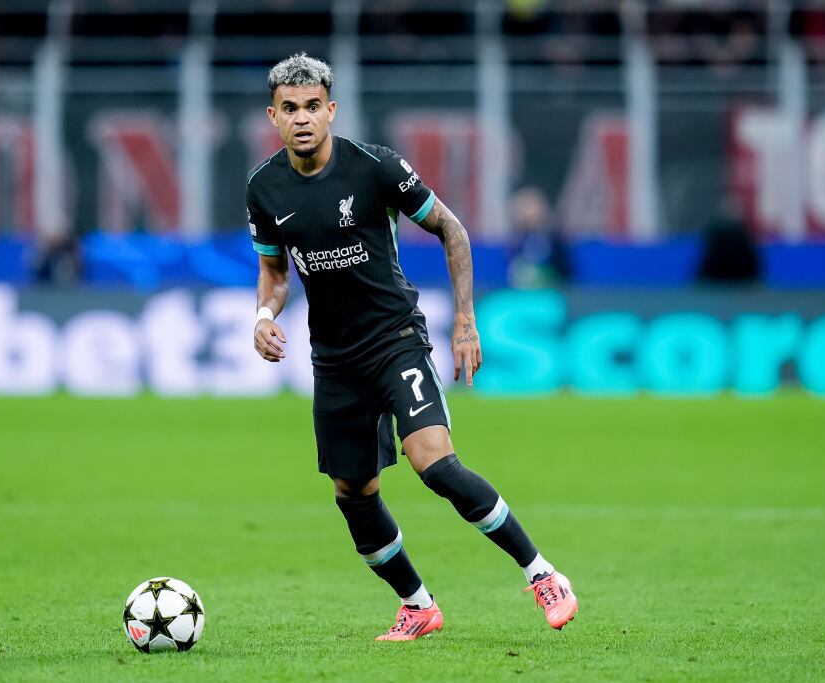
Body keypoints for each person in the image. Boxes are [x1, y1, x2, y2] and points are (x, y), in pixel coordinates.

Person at [247, 53, 578, 642]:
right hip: (335, 359)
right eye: (290, 109)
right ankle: (417, 604)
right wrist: (264, 315)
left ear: (332, 110)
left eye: (313, 107)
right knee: (353, 492)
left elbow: (452, 229)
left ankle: (543, 573)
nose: (303, 119)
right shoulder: (265, 189)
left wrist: (466, 321)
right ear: (274, 116)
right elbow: (275, 271)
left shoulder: (375, 168)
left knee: (434, 462)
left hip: (395, 339)